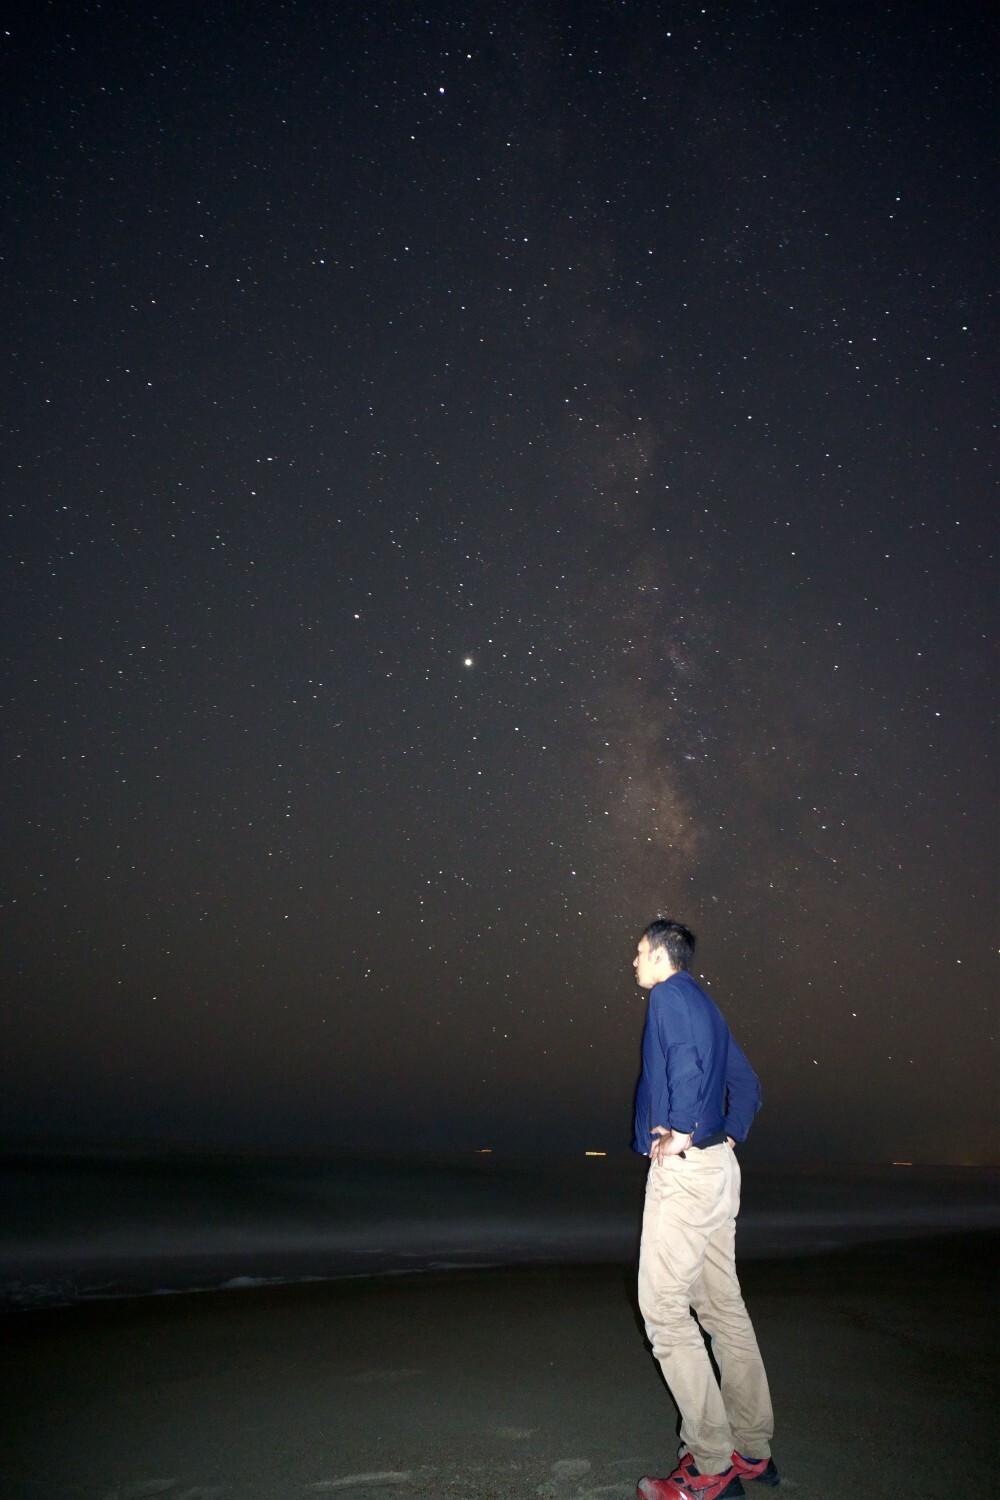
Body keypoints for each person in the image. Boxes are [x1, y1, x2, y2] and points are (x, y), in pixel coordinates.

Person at [631, 919, 778, 1500]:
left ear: (664, 956)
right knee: (722, 1308)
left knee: (664, 1312)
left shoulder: (669, 996)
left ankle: (710, 1463)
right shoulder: (708, 1006)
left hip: (689, 1173)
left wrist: (684, 1134)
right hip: (721, 1172)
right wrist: (728, 1134)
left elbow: (688, 1064)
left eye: (640, 952)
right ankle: (751, 1448)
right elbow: (748, 1083)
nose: (634, 963)